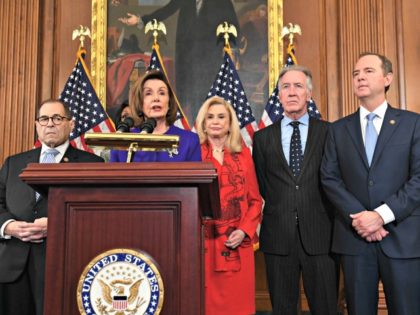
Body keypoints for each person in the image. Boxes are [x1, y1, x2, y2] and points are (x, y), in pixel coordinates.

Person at [321, 52, 420, 315]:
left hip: (402, 238)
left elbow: (418, 178)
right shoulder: (337, 129)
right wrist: (362, 219)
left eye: (367, 71)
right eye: (355, 73)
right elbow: (329, 178)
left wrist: (381, 215)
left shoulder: (413, 124)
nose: (360, 77)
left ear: (387, 79)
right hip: (355, 239)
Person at [0, 99, 104, 315]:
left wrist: (57, 225)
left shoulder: (91, 164)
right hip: (13, 268)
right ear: (37, 125)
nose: (50, 124)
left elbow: (97, 214)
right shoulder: (14, 163)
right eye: (44, 119)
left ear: (71, 124)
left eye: (57, 118)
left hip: (63, 264)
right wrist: (9, 226)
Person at [252, 65, 338, 315]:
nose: (291, 92)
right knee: (283, 309)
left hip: (321, 237)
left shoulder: (329, 132)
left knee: (325, 308)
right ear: (279, 96)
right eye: (285, 87)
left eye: (298, 86)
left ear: (309, 94)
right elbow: (264, 185)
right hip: (278, 237)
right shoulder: (262, 138)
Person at [118, 0, 239, 122]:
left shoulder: (223, 2)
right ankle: (194, 132)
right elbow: (167, 10)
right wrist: (141, 20)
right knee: (191, 103)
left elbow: (233, 26)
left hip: (211, 61)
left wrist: (232, 52)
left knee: (210, 101)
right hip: (188, 61)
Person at [196, 96, 262, 315]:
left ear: (230, 123)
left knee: (238, 306)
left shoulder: (243, 155)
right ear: (203, 123)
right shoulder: (194, 154)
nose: (215, 121)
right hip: (203, 245)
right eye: (210, 117)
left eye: (221, 117)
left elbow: (254, 201)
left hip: (237, 244)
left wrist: (245, 230)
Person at [110, 70, 201, 162]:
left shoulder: (189, 140)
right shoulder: (122, 143)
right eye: (148, 93)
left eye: (162, 93)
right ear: (140, 103)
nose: (156, 98)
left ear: (169, 102)